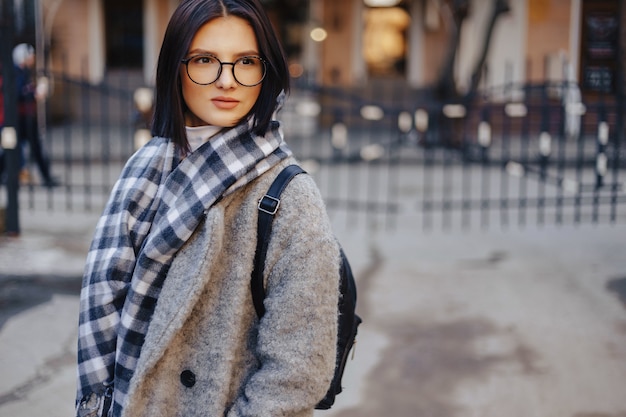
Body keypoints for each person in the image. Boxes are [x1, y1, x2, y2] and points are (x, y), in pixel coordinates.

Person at [75, 1, 340, 416]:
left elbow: (299, 371)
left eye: (246, 61)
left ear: (266, 71)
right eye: (204, 60)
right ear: (175, 69)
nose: (226, 80)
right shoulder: (144, 172)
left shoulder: (290, 198)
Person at [13, 43, 58, 187]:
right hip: (20, 118)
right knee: (13, 148)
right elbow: (18, 94)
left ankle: (46, 177)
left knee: (32, 147)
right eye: (31, 56)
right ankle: (45, 177)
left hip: (26, 116)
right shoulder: (17, 73)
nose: (33, 59)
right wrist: (34, 94)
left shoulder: (25, 72)